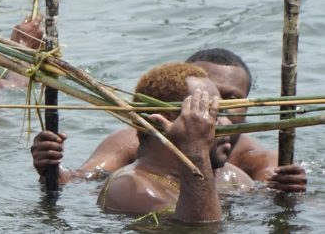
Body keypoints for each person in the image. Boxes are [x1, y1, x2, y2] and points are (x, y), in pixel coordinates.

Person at [30, 48, 307, 192]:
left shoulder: (257, 159)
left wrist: (288, 192)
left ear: (246, 106)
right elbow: (78, 181)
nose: (216, 106)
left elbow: (267, 202)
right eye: (206, 94)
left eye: (230, 98)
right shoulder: (137, 139)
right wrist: (51, 168)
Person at [97, 63, 253, 222]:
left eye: (223, 112)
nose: (227, 123)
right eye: (212, 114)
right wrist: (195, 150)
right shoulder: (129, 186)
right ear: (166, 119)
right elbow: (200, 230)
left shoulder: (229, 177)